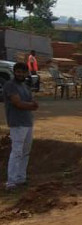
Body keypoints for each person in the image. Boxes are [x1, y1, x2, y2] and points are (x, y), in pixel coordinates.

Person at [4, 62, 39, 191]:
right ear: (14, 72)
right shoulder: (10, 85)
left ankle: (20, 178)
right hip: (17, 122)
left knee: (25, 152)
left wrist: (32, 105)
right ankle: (11, 182)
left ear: (26, 73)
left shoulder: (25, 86)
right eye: (18, 72)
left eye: (22, 72)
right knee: (17, 152)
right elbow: (17, 103)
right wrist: (32, 106)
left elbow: (32, 102)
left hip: (27, 122)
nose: (20, 74)